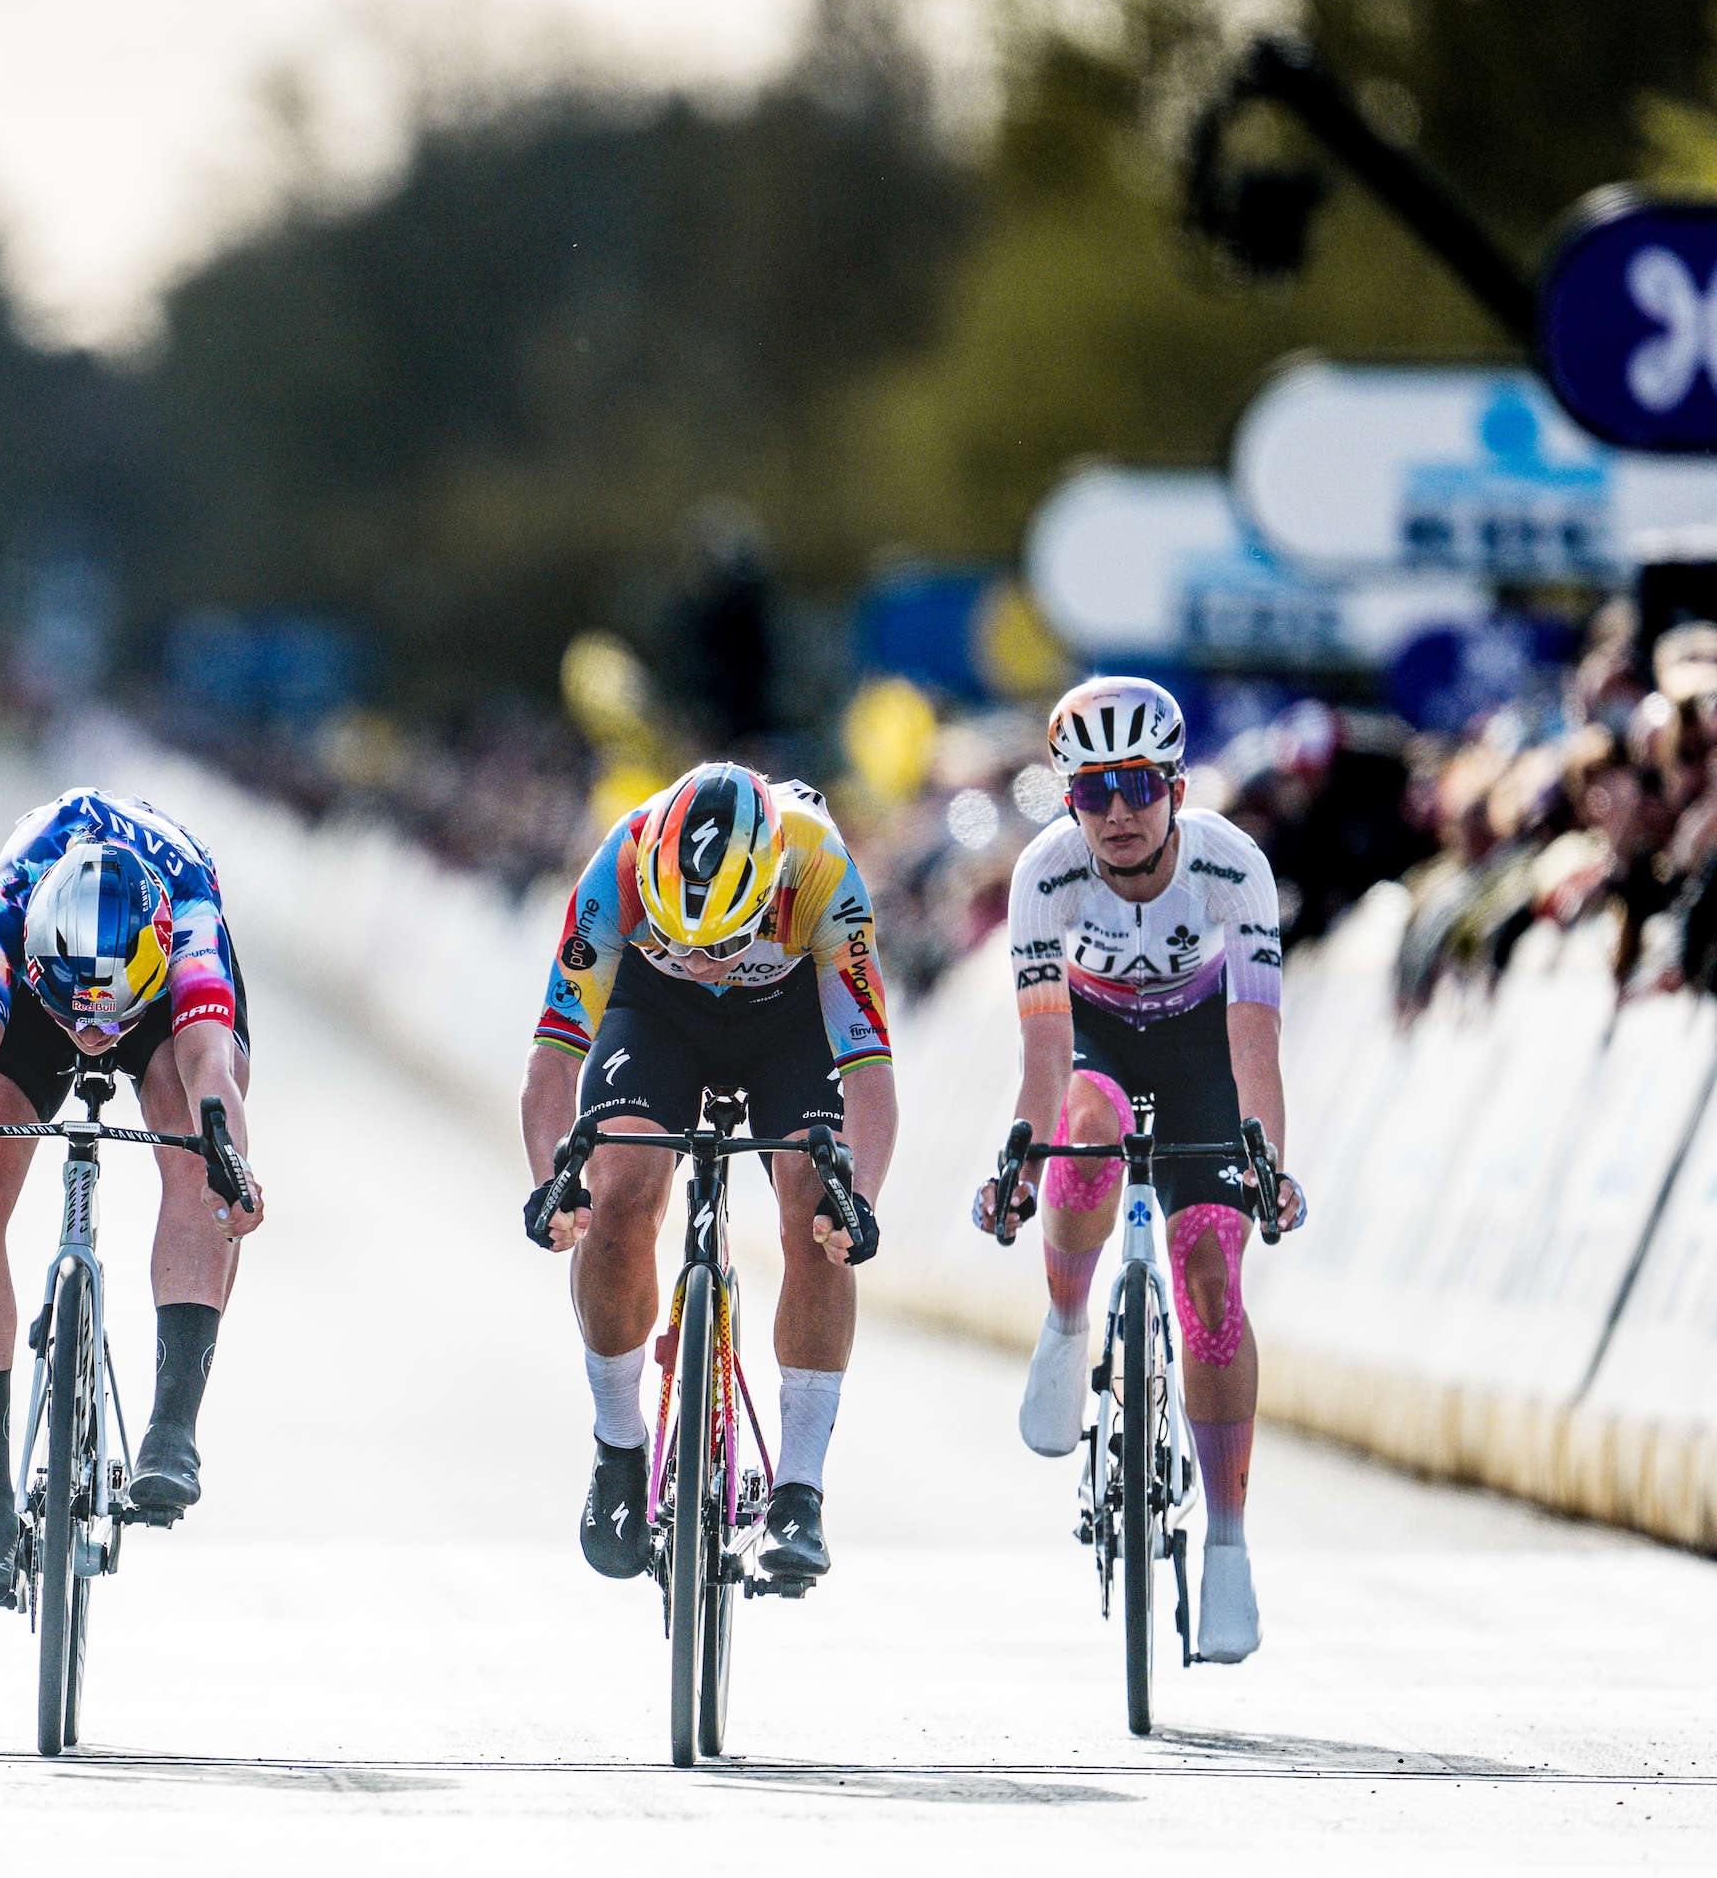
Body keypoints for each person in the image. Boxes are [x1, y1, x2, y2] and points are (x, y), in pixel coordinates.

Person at [973, 675, 1307, 1664]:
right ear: (1067, 796)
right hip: (1101, 1038)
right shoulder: (1046, 870)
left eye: (1136, 786)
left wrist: (1267, 1159)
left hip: (1207, 1047)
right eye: (1091, 790)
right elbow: (1044, 1053)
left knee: (1211, 1270)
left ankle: (1232, 1547)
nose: (1116, 811)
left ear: (1174, 782)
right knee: (1088, 1123)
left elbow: (1256, 1044)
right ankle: (1070, 1324)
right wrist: (1024, 1158)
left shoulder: (1231, 864)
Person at [520, 762, 893, 1588]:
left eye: (721, 943)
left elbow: (870, 1073)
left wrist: (859, 1200)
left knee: (816, 1208)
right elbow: (553, 1060)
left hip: (790, 1023)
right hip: (653, 1017)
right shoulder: (617, 868)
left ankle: (800, 1488)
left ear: (768, 894)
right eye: (678, 939)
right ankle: (619, 1447)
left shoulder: (822, 871)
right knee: (617, 1196)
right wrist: (556, 1181)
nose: (697, 959)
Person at [0, 789, 266, 1613]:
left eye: (109, 1022)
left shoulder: (190, 919)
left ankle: (172, 1430)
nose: (94, 1035)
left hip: (158, 1002)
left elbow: (210, 1063)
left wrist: (231, 1165)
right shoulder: (8, 911)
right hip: (40, 1001)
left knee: (203, 1156)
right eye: (80, 1020)